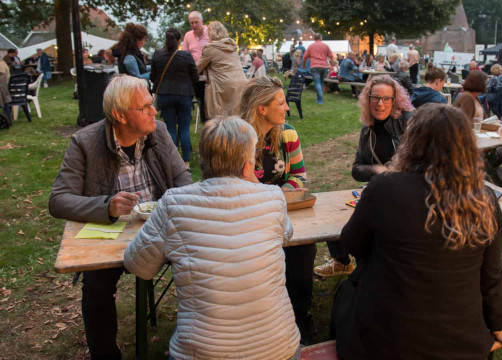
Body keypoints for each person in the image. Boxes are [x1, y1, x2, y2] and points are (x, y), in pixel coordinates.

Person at [332, 103, 502, 360]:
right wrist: (499, 326)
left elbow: (351, 244)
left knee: (346, 294)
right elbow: (491, 275)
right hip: (460, 342)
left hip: (387, 341)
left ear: (412, 141)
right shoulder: (483, 198)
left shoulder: (385, 188)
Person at [124, 116, 301, 360]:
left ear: (202, 158)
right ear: (248, 162)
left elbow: (138, 265)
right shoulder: (272, 197)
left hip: (204, 352)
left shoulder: (174, 203)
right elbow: (286, 235)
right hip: (279, 349)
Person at [48, 75, 192, 360]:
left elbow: (182, 179)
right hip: (111, 236)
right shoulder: (85, 143)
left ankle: (205, 338)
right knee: (96, 286)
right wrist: (107, 206)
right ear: (119, 115)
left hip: (160, 230)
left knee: (209, 257)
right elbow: (58, 200)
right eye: (145, 107)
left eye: (152, 104)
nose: (155, 111)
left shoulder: (159, 132)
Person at [239, 77, 315, 344]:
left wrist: (274, 194)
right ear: (261, 108)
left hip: (281, 212)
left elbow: (300, 178)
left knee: (305, 250)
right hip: (247, 220)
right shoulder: (237, 138)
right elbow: (233, 187)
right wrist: (274, 194)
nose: (287, 108)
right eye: (281, 103)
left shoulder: (287, 133)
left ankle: (300, 318)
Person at [314, 75, 413, 277]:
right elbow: (356, 170)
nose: (380, 103)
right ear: (367, 99)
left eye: (386, 99)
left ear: (396, 101)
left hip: (406, 195)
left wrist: (392, 170)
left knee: (367, 230)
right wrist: (376, 170)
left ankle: (370, 269)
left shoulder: (407, 122)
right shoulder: (367, 129)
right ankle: (342, 261)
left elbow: (419, 163)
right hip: (376, 192)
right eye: (375, 97)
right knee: (331, 211)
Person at [150, 28, 199, 169]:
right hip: (184, 94)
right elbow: (195, 76)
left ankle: (172, 160)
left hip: (165, 94)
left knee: (170, 128)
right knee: (184, 128)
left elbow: (153, 77)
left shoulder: (157, 55)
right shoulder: (186, 56)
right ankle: (186, 161)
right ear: (179, 41)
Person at [197, 21, 248, 119]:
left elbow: (197, 68)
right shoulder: (232, 46)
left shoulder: (210, 48)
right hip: (241, 82)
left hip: (223, 85)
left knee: (221, 118)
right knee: (237, 116)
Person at [303, 33, 334, 104]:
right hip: (324, 66)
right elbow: (331, 57)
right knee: (321, 82)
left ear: (314, 38)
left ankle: (320, 100)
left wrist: (304, 65)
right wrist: (332, 66)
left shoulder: (311, 46)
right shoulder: (325, 46)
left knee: (317, 83)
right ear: (321, 38)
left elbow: (304, 57)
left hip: (314, 66)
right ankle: (319, 98)